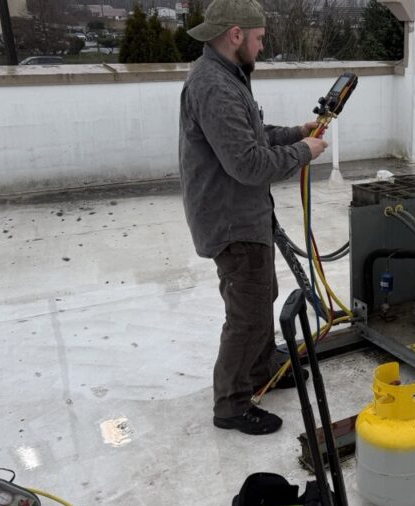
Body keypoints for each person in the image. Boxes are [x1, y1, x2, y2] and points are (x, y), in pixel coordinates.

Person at [179, 0, 328, 435]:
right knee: (247, 314)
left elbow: (254, 136)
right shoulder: (216, 87)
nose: (263, 47)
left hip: (242, 213)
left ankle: (262, 369)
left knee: (261, 295)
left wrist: (295, 134)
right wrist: (304, 153)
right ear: (236, 34)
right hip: (231, 219)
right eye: (260, 38)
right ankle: (231, 403)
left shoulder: (227, 77)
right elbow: (246, 162)